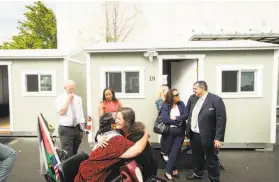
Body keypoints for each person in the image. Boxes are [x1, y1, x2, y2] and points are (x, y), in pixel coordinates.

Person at [75, 112, 149, 182]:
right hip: (90, 175)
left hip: (89, 169)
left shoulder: (109, 133)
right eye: (117, 118)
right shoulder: (114, 139)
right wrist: (146, 134)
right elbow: (137, 150)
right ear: (114, 125)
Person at [98, 107, 158, 181]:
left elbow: (135, 151)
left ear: (127, 121)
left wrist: (109, 154)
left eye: (119, 119)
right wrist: (99, 138)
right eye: (116, 118)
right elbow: (102, 131)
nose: (115, 121)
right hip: (132, 165)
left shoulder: (137, 134)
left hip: (145, 166)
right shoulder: (120, 128)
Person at [186, 81, 226, 182]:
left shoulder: (215, 100)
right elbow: (190, 115)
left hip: (209, 136)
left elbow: (221, 120)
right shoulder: (194, 98)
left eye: (195, 89)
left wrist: (218, 138)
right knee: (197, 157)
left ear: (202, 88)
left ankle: (214, 179)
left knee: (211, 160)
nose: (193, 91)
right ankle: (198, 173)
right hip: (194, 135)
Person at [161, 89, 188, 181]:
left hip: (180, 132)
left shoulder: (181, 104)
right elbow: (165, 119)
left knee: (175, 151)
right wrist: (177, 122)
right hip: (169, 132)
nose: (178, 96)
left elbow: (186, 115)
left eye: (178, 94)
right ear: (171, 97)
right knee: (170, 152)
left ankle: (167, 171)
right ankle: (174, 169)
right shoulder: (165, 105)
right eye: (176, 95)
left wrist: (176, 118)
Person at [55, 80, 85, 158]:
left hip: (77, 128)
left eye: (73, 88)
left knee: (74, 153)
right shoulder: (60, 98)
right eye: (69, 89)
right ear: (65, 88)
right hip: (66, 129)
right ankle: (67, 169)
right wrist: (69, 99)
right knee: (68, 154)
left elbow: (81, 112)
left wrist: (82, 126)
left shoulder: (78, 99)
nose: (71, 90)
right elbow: (61, 112)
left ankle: (73, 169)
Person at [155, 84, 169, 161]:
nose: (169, 91)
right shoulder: (159, 100)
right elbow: (162, 110)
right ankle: (164, 152)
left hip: (168, 120)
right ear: (163, 91)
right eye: (167, 90)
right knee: (165, 136)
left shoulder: (167, 99)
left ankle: (164, 151)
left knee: (165, 136)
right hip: (163, 121)